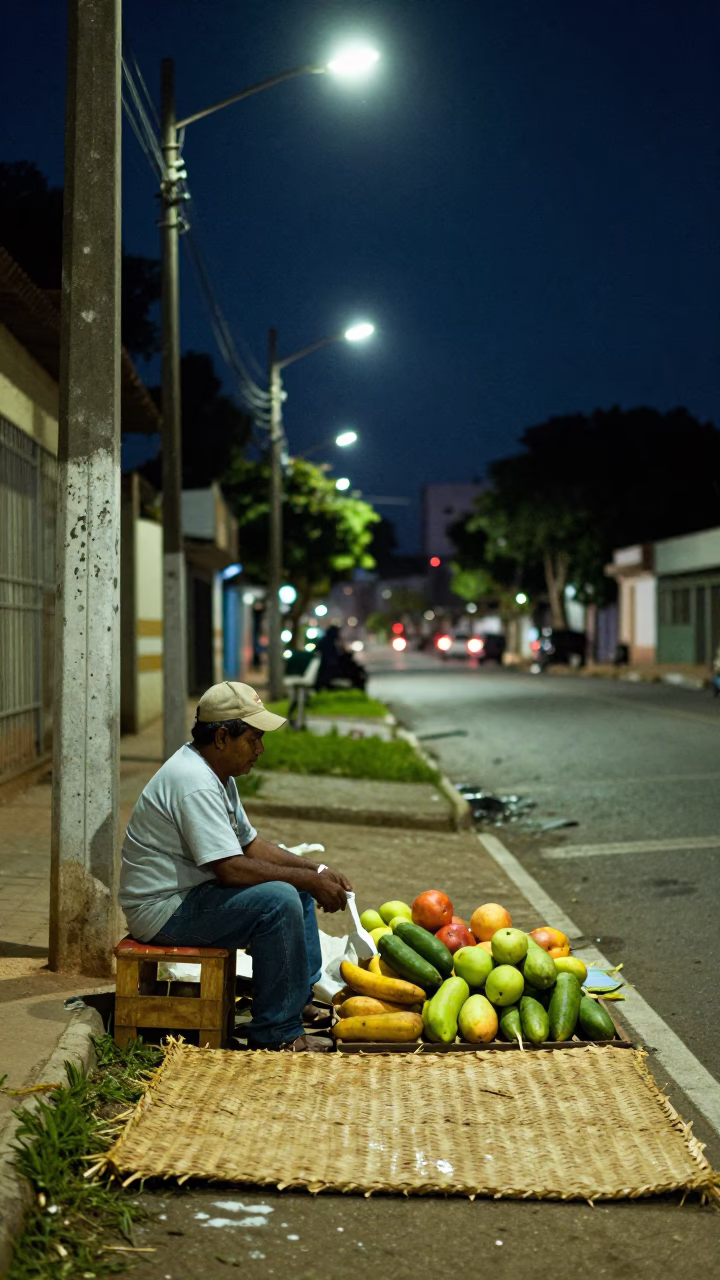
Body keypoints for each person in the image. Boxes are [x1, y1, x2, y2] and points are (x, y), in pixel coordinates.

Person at [118, 680, 352, 1052]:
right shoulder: (194, 782)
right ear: (224, 736)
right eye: (253, 738)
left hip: (192, 895)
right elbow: (231, 869)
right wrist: (306, 878)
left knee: (297, 889)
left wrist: (316, 871)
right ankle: (277, 1032)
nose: (260, 749)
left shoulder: (215, 773)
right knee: (279, 899)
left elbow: (251, 844)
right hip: (164, 911)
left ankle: (295, 1001)